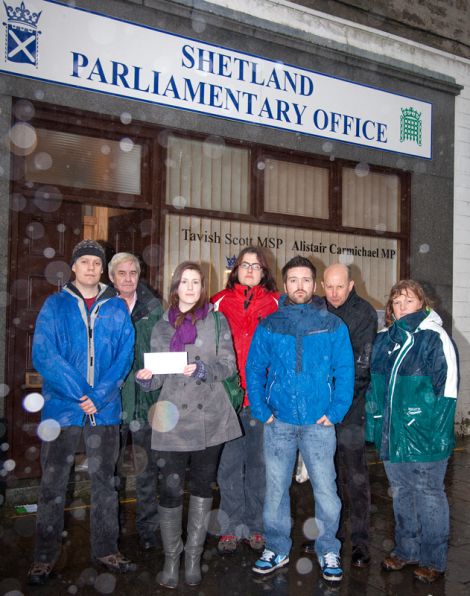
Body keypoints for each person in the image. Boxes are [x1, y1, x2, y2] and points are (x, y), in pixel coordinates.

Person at [28, 240, 136, 585]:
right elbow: (44, 355)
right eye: (84, 261)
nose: (91, 267)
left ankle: (106, 549)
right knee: (52, 484)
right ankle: (44, 557)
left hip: (103, 413)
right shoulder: (55, 306)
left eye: (96, 262)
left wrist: (100, 396)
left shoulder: (117, 308)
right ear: (73, 268)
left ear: (102, 269)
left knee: (106, 483)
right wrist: (80, 394)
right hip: (63, 409)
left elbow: (124, 356)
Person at [246, 256, 354, 582]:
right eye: (293, 280)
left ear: (314, 284)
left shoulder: (333, 325)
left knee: (326, 492)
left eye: (306, 280)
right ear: (285, 285)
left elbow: (345, 370)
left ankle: (328, 548)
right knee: (276, 490)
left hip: (318, 424)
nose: (300, 286)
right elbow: (254, 368)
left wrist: (334, 412)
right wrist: (262, 410)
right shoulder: (270, 324)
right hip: (279, 423)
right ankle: (276, 548)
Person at [136, 261, 241, 588]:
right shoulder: (160, 326)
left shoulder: (216, 320)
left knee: (201, 484)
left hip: (210, 413)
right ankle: (172, 557)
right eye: (185, 281)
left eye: (196, 282)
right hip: (170, 417)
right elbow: (155, 379)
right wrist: (146, 379)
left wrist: (201, 370)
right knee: (168, 488)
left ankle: (193, 556)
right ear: (176, 286)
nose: (191, 287)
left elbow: (229, 367)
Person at [366, 280, 458, 584]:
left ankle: (433, 559)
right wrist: (376, 422)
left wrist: (435, 433)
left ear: (423, 304)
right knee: (401, 493)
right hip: (393, 435)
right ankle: (407, 550)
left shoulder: (435, 338)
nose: (401, 306)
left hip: (424, 436)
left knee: (429, 494)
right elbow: (375, 389)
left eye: (408, 300)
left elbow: (447, 392)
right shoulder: (384, 339)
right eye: (396, 301)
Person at [302, 263, 377, 567]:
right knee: (321, 476)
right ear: (321, 285)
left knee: (354, 477)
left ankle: (360, 541)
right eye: (328, 287)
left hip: (349, 408)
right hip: (318, 410)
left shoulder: (364, 314)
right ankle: (325, 535)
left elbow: (361, 368)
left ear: (350, 285)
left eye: (339, 287)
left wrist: (335, 404)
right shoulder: (316, 310)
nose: (333, 293)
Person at [211, 247, 279, 555]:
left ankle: (256, 527)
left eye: (256, 266)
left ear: (264, 272)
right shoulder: (218, 302)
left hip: (262, 400)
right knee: (228, 466)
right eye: (244, 265)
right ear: (235, 270)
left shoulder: (278, 303)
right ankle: (230, 527)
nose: (250, 270)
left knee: (259, 467)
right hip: (228, 400)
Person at [108, 252, 163, 550]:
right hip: (111, 401)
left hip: (144, 399)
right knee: (110, 470)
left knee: (146, 469)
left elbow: (162, 347)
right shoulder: (103, 307)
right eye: (122, 273)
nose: (128, 278)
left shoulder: (154, 308)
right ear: (112, 277)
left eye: (133, 273)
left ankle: (148, 529)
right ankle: (110, 529)